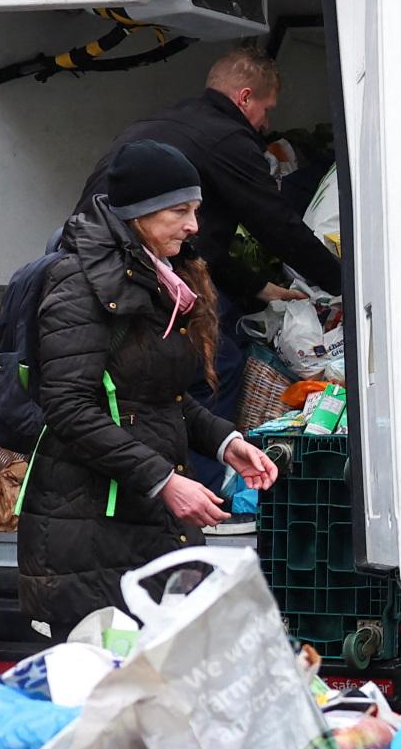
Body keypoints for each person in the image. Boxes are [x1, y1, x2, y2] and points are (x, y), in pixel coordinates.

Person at [19, 140, 280, 636]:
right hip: (90, 526)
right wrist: (164, 480)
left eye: (196, 210)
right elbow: (69, 408)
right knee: (107, 688)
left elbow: (160, 397)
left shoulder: (160, 277)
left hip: (142, 518)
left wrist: (227, 443)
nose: (193, 226)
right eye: (179, 211)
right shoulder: (80, 282)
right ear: (138, 214)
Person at [80, 47, 341, 472]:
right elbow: (276, 225)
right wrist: (346, 283)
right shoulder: (228, 139)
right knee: (214, 364)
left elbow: (196, 246)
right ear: (244, 98)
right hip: (142, 276)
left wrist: (255, 286)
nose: (267, 123)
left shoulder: (163, 123)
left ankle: (166, 481)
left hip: (103, 268)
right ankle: (201, 487)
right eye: (266, 109)